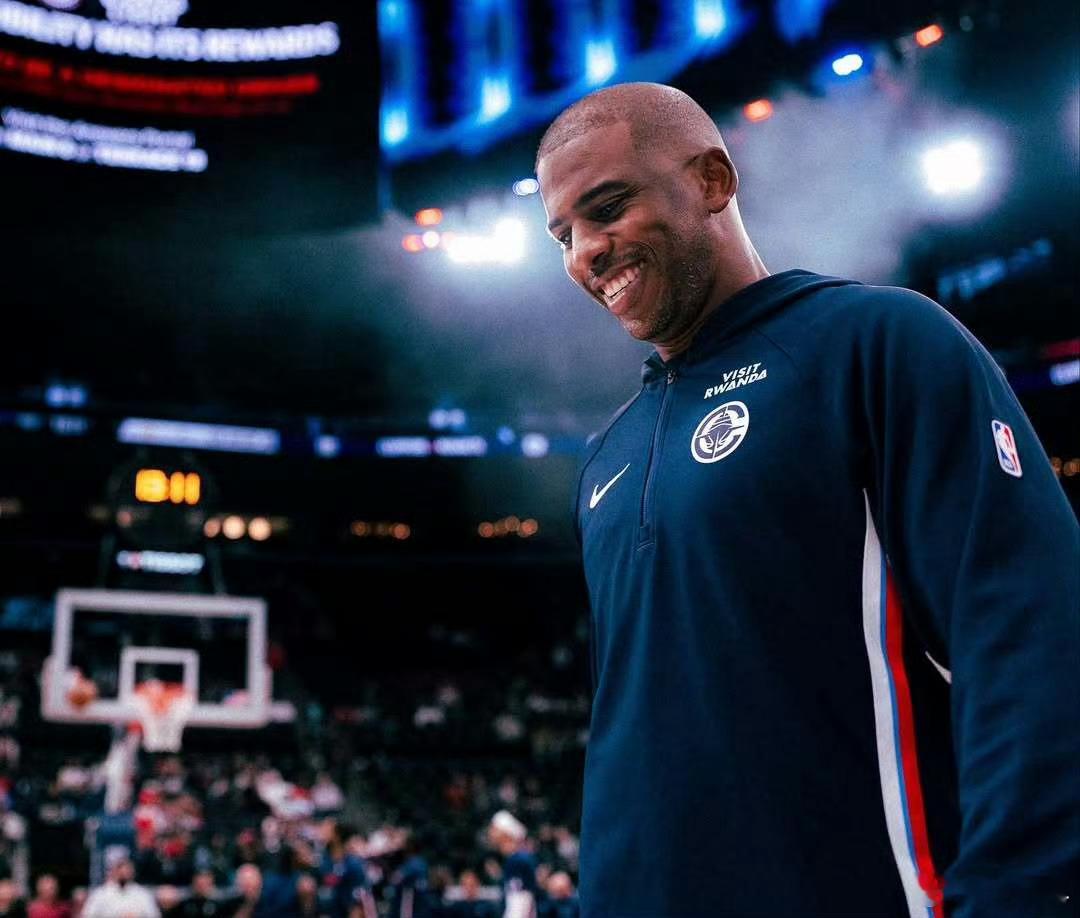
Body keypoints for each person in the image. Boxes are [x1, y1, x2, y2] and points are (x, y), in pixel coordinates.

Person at [536, 81, 1079, 918]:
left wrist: (1017, 897)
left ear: (712, 181)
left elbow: (1032, 642)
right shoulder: (608, 455)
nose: (586, 253)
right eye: (564, 235)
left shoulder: (879, 344)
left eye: (607, 209)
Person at [486, 812, 536, 918]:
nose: (490, 832)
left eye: (494, 828)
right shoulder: (515, 859)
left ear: (505, 833)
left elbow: (520, 904)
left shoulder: (517, 861)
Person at [81, 852, 159, 918]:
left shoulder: (143, 894)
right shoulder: (100, 894)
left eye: (127, 869)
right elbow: (88, 915)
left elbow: (154, 915)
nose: (124, 872)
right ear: (113, 871)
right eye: (120, 868)